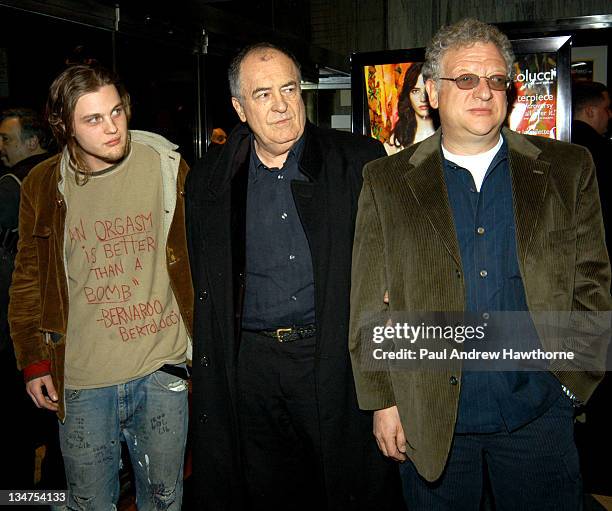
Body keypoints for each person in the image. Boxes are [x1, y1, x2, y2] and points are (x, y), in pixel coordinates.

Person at [349, 18, 611, 510]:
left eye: (496, 80)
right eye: (465, 79)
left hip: (538, 411)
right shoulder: (385, 181)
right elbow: (368, 301)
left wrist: (575, 380)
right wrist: (384, 401)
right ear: (430, 91)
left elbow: (593, 281)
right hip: (430, 414)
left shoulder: (566, 169)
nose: (483, 92)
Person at [186, 42, 400, 510]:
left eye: (289, 89)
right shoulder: (209, 180)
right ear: (240, 108)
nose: (281, 104)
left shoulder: (359, 162)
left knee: (348, 488)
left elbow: (393, 282)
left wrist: (390, 388)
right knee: (267, 490)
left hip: (333, 357)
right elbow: (203, 283)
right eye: (263, 95)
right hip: (252, 367)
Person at [8, 64, 194, 510]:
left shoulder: (165, 163)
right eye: (93, 119)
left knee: (165, 500)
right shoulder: (43, 183)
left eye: (116, 112)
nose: (112, 128)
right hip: (82, 379)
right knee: (89, 503)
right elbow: (28, 278)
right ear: (64, 126)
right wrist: (34, 361)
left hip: (161, 369)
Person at [0, 107, 57, 491]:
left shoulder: (11, 185)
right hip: (58, 321)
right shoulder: (62, 174)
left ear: (32, 141)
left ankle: (19, 500)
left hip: (18, 323)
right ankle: (55, 497)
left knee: (13, 435)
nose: (1, 146)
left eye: (7, 138)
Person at [571, 81, 612, 248]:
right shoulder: (602, 152)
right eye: (606, 108)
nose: (610, 115)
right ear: (590, 111)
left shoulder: (558, 145)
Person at [386, 62, 436, 154]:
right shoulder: (395, 142)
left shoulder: (452, 136)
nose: (423, 98)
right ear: (408, 95)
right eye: (415, 91)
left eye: (427, 90)